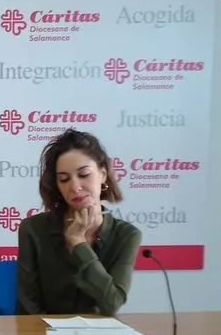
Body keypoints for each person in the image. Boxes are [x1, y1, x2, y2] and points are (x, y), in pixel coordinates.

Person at [16, 129, 142, 316]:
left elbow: (112, 303)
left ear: (103, 175)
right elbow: (28, 307)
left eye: (84, 175)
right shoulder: (33, 229)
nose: (75, 187)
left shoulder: (126, 235)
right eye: (64, 179)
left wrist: (78, 243)